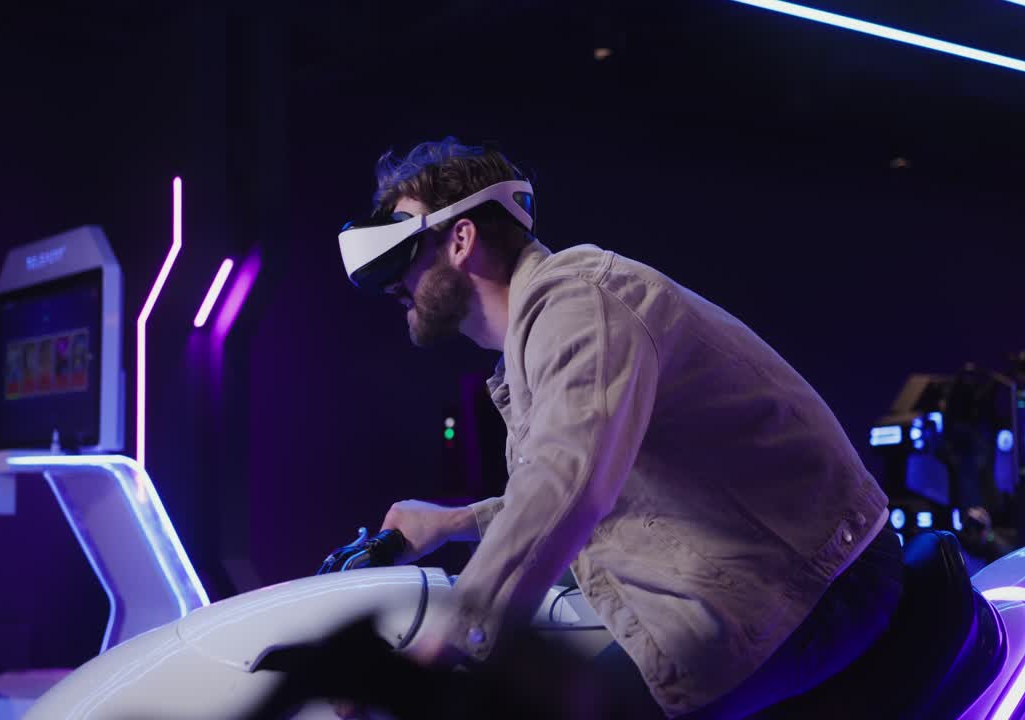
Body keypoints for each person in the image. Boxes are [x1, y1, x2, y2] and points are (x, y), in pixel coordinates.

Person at [336, 137, 903, 718]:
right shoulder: (537, 342)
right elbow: (584, 479)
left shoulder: (578, 301)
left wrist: (440, 649)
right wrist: (450, 523)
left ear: (461, 239)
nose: (393, 282)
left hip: (813, 582)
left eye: (407, 244)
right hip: (769, 579)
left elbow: (566, 486)